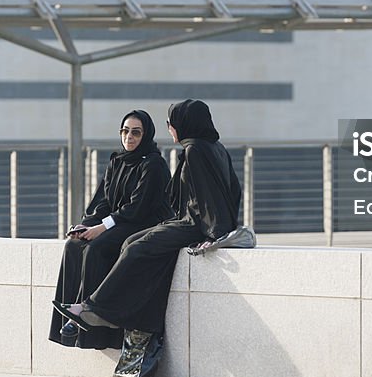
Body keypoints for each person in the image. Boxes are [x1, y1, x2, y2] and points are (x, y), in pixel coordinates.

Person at [54, 98, 242, 336]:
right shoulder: (213, 148)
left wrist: (216, 234)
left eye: (172, 122)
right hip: (189, 221)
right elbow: (234, 191)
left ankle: (96, 309)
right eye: (124, 131)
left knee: (136, 248)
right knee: (130, 243)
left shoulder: (194, 150)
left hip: (193, 224)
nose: (170, 127)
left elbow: (207, 197)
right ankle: (98, 309)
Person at [48, 109, 170, 349]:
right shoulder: (117, 160)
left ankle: (95, 328)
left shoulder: (153, 164)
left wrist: (102, 228)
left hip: (141, 224)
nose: (129, 137)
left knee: (97, 248)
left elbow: (137, 208)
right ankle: (70, 324)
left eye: (136, 132)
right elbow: (104, 200)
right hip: (115, 223)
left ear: (146, 135)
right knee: (74, 245)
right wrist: (88, 224)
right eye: (125, 131)